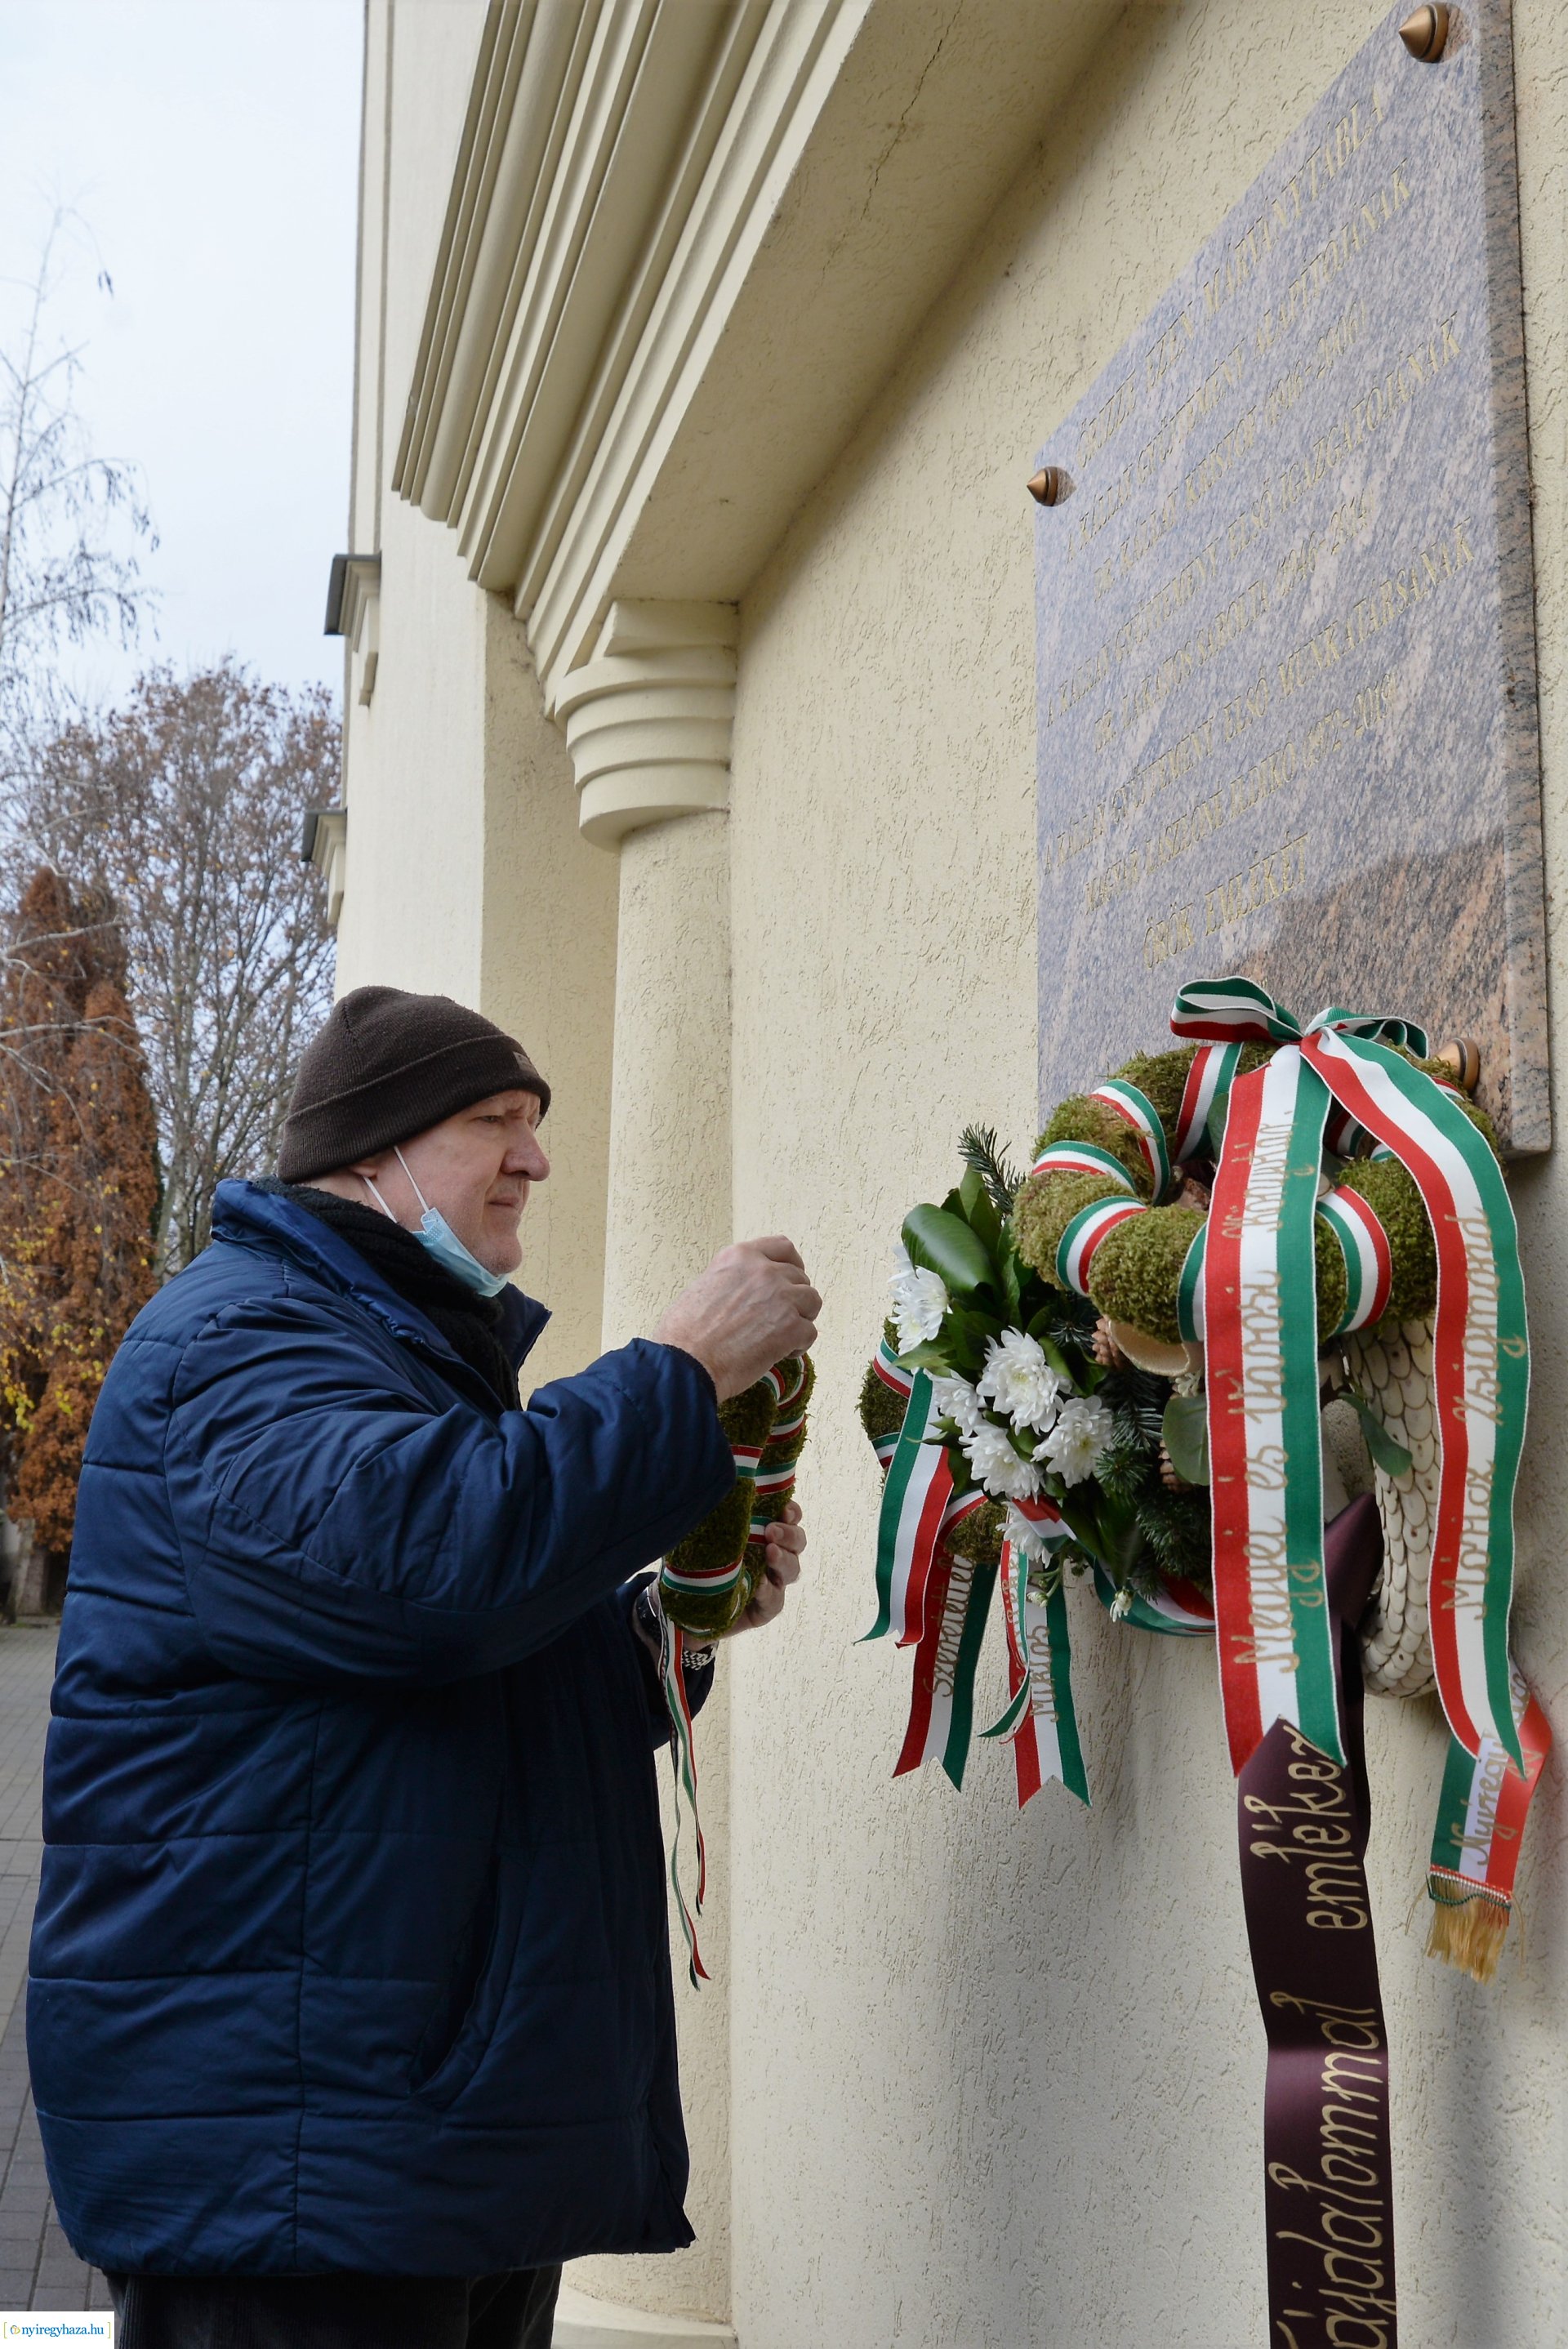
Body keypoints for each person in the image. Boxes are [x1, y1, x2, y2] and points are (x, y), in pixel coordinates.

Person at [27, 985, 820, 2349]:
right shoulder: (240, 1345)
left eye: (535, 1122)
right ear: (372, 1154)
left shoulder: (386, 1356)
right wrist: (680, 1369)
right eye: (493, 1121)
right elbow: (431, 1577)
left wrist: (664, 1631)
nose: (536, 1157)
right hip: (294, 2165)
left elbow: (460, 1677)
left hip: (417, 2141)